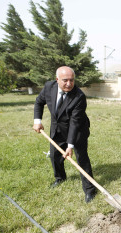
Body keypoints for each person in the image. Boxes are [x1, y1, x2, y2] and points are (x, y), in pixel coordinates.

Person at [33, 66, 96, 203]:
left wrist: (70, 145)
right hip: (57, 128)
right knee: (55, 155)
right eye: (65, 80)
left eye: (72, 80)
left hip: (77, 130)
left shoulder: (79, 96)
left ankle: (90, 190)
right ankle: (60, 178)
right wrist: (37, 121)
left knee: (81, 158)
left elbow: (75, 122)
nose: (69, 84)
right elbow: (39, 102)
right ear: (57, 80)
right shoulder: (49, 87)